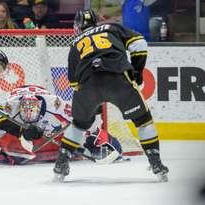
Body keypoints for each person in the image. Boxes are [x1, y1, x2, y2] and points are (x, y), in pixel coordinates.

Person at [53, 9, 169, 182]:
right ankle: (156, 163)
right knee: (143, 121)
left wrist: (92, 104)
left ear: (78, 26)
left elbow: (74, 83)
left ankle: (61, 164)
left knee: (78, 125)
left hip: (87, 86)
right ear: (95, 21)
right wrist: (137, 72)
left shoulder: (75, 43)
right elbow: (140, 44)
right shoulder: (111, 27)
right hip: (118, 79)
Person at [0, 85, 123, 165]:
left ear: (40, 109)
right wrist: (1, 152)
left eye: (33, 111)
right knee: (5, 141)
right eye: (25, 112)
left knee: (78, 131)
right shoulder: (10, 107)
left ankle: (105, 143)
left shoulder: (55, 105)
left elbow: (85, 118)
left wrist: (94, 137)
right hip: (19, 96)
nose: (29, 116)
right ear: (20, 109)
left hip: (42, 95)